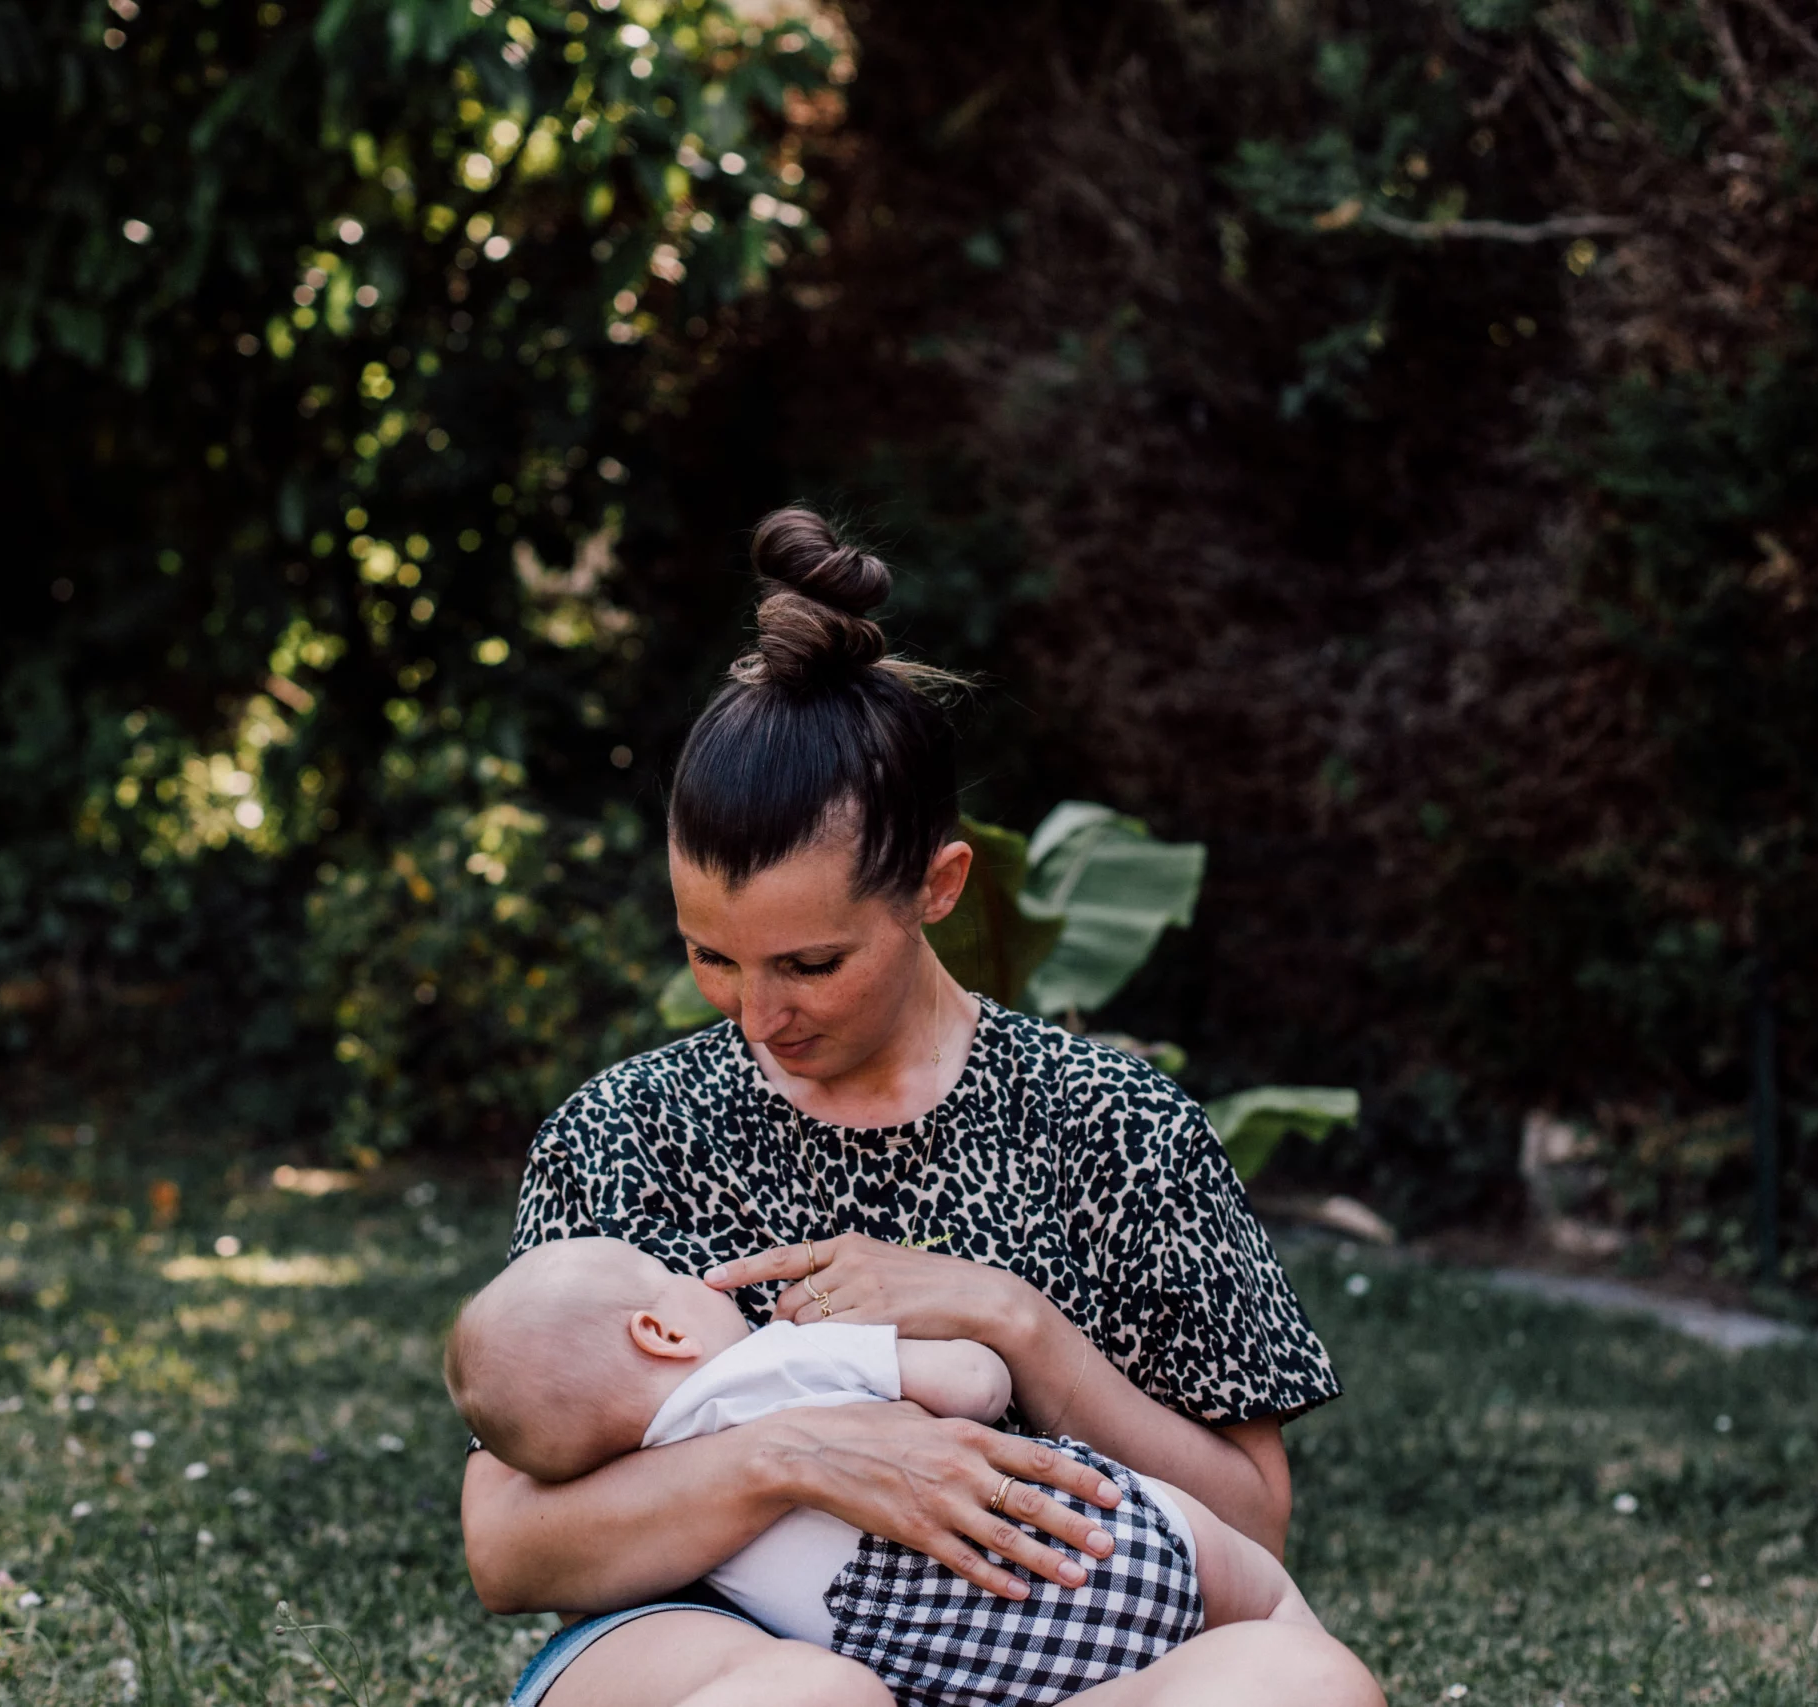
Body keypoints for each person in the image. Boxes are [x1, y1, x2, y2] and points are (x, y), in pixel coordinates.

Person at [460, 506, 1383, 1707]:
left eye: (810, 964)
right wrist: (794, 1458)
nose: (757, 1017)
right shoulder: (624, 1131)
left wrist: (1018, 1323)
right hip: (708, 1644)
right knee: (815, 1700)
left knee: (1302, 1685)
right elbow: (508, 1549)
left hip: (1045, 1656)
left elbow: (1252, 1528)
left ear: (938, 888)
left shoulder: (1118, 1125)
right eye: (712, 956)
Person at [447, 1237, 1323, 1706]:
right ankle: (1291, 1626)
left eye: (812, 967)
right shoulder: (782, 1354)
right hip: (1085, 1543)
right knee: (1260, 1601)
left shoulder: (651, 1477)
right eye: (676, 1273)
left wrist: (1013, 1311)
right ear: (662, 1331)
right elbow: (975, 1384)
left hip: (963, 1664)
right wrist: (805, 1437)